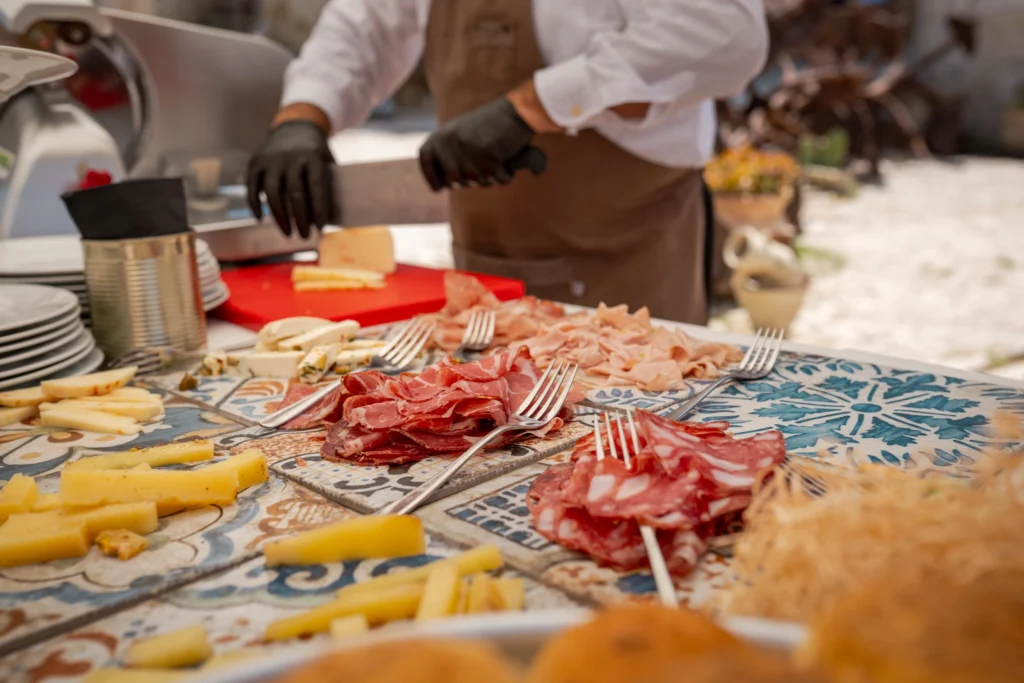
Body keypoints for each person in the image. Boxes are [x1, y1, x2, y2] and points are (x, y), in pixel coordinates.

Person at [247, 0, 768, 323]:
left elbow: (724, 31)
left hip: (624, 262)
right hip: (485, 265)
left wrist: (532, 107)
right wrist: (303, 115)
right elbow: (364, 25)